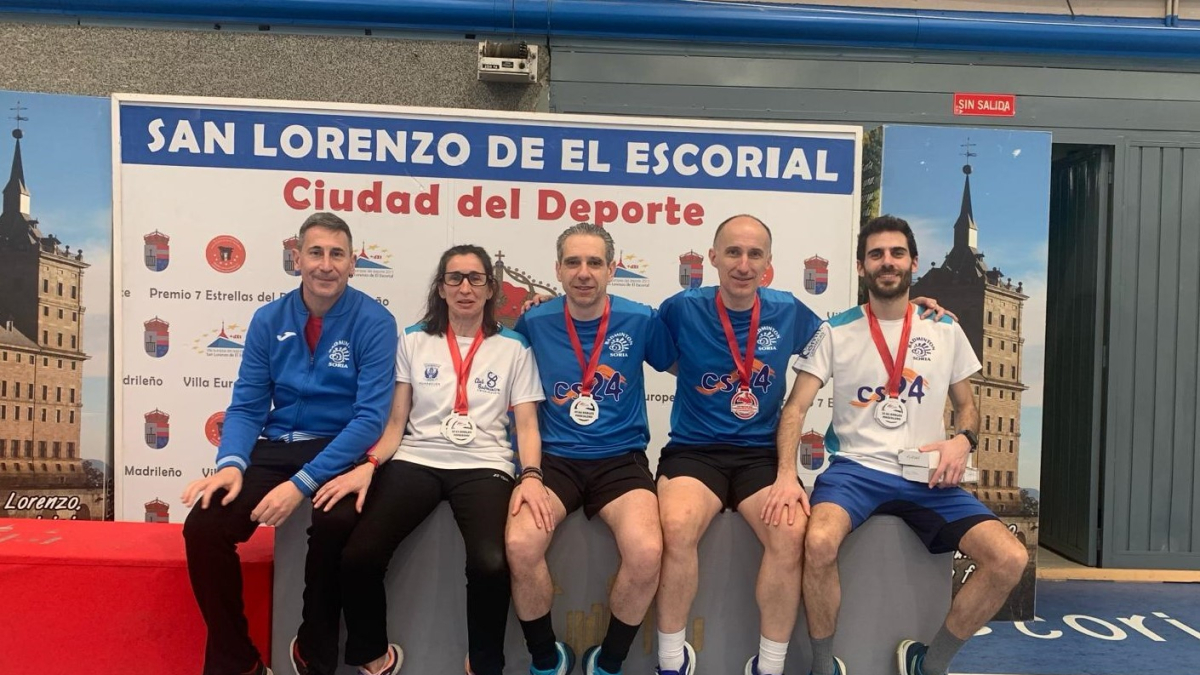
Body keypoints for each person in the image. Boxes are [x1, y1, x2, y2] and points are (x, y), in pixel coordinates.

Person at [780, 215, 1028, 675]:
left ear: (913, 262)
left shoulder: (944, 328)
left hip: (925, 472)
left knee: (1010, 558)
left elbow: (967, 406)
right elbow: (795, 408)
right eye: (876, 254)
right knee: (817, 543)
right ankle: (822, 667)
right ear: (861, 267)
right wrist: (784, 475)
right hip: (855, 470)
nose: (887, 262)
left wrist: (963, 440)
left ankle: (929, 665)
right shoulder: (836, 332)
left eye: (896, 253)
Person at [313, 244, 551, 675]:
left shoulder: (515, 347)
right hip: (416, 459)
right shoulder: (412, 339)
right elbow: (395, 423)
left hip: (486, 465)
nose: (465, 288)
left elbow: (528, 427)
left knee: (491, 563)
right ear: (440, 288)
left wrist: (530, 474)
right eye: (454, 278)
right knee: (360, 554)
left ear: (490, 288)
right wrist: (368, 465)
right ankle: (373, 655)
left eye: (475, 278)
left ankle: (483, 662)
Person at [181, 212, 398, 675]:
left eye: (337, 254)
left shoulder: (376, 322)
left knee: (337, 525)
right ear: (296, 258)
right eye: (315, 252)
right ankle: (238, 661)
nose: (326, 264)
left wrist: (301, 483)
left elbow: (369, 419)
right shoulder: (268, 319)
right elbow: (246, 407)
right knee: (202, 528)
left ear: (353, 263)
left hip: (339, 449)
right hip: (275, 447)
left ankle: (314, 652)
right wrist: (232, 465)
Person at [506, 223, 677, 675]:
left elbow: (682, 364)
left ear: (612, 269)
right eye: (573, 263)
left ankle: (609, 660)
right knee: (520, 545)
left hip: (620, 459)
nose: (584, 273)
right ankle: (547, 659)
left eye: (595, 262)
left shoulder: (640, 319)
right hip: (552, 460)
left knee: (646, 553)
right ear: (557, 271)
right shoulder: (534, 320)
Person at [653, 213, 819, 675]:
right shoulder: (681, 308)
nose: (743, 264)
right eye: (732, 252)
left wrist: (911, 306)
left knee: (790, 534)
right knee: (677, 525)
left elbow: (843, 337)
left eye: (754, 254)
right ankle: (671, 660)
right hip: (694, 450)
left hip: (762, 455)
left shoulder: (788, 310)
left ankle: (768, 665)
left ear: (768, 262)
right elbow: (646, 347)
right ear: (712, 258)